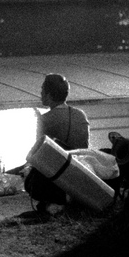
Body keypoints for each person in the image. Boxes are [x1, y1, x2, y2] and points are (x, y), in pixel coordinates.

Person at [24, 73, 90, 214]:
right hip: (82, 174)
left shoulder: (45, 120)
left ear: (48, 95)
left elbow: (37, 156)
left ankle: (56, 201)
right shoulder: (80, 114)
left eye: (42, 90)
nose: (40, 93)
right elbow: (84, 147)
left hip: (59, 178)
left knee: (29, 181)